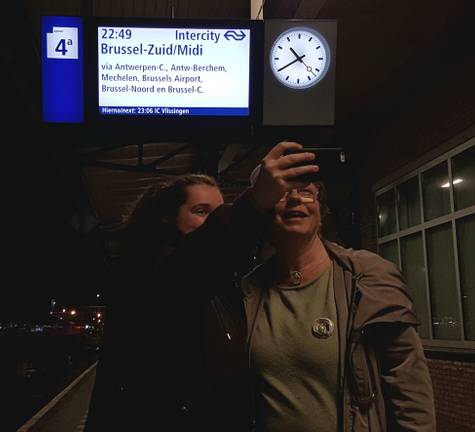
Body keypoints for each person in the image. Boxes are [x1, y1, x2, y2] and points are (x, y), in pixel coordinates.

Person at [85, 142, 319, 432]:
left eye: (218, 212)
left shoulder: (220, 284)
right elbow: (195, 262)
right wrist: (256, 200)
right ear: (167, 217)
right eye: (200, 211)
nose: (211, 222)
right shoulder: (150, 273)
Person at [241, 179, 436, 432]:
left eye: (306, 192)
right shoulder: (249, 291)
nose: (295, 198)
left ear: (321, 211)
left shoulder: (367, 277)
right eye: (281, 193)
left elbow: (408, 382)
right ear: (265, 212)